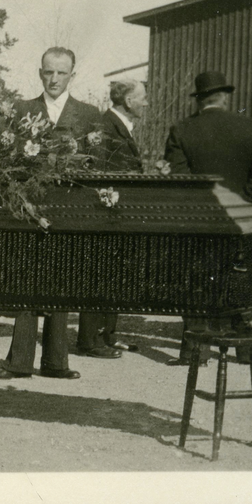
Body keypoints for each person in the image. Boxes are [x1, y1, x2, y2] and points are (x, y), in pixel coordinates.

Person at [0, 47, 101, 381]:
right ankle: (19, 362)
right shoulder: (23, 110)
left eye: (61, 73)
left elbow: (96, 165)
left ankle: (56, 362)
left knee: (61, 278)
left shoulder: (88, 114)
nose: (54, 79)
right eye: (48, 72)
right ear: (40, 73)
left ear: (72, 76)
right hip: (29, 206)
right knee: (26, 279)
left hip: (68, 207)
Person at [163, 71, 252, 366]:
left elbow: (180, 179)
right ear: (224, 97)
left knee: (196, 282)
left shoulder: (182, 130)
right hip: (243, 221)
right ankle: (248, 350)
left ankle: (195, 352)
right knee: (242, 280)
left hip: (199, 222)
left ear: (199, 100)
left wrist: (201, 211)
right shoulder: (249, 128)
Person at [76, 78, 148, 359]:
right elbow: (99, 173)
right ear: (128, 101)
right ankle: (90, 340)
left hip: (118, 214)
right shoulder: (106, 126)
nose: (145, 103)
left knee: (114, 274)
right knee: (100, 273)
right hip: (105, 215)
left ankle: (108, 335)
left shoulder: (119, 125)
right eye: (142, 98)